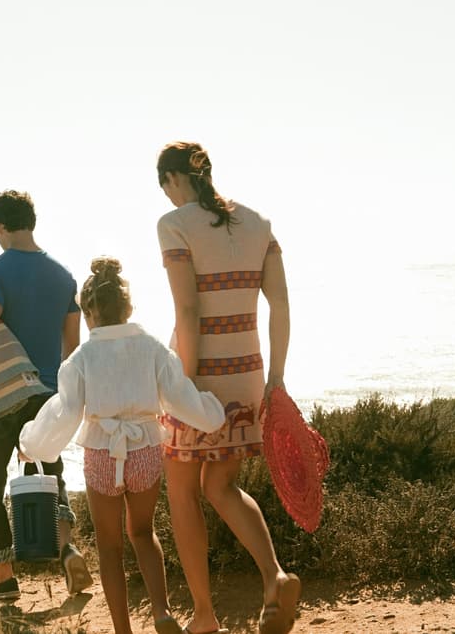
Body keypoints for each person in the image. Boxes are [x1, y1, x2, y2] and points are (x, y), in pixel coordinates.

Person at [19, 256, 226, 634]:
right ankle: (162, 613)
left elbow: (65, 412)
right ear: (128, 308)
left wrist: (32, 442)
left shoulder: (81, 358)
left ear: (89, 312)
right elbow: (181, 396)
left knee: (110, 546)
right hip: (145, 448)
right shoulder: (151, 348)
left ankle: (123, 630)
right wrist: (212, 413)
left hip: (102, 453)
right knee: (143, 533)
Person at [155, 142, 300, 634]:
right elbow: (279, 306)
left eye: (164, 185)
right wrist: (275, 378)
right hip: (248, 375)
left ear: (174, 178)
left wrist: (186, 387)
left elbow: (188, 311)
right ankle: (275, 576)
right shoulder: (259, 223)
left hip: (200, 374)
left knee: (182, 493)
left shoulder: (174, 224)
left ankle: (203, 614)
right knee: (222, 485)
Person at [0, 189, 92, 601]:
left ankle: (3, 578)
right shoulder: (64, 276)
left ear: (0, 226)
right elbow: (71, 347)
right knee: (49, 476)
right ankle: (66, 549)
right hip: (46, 394)